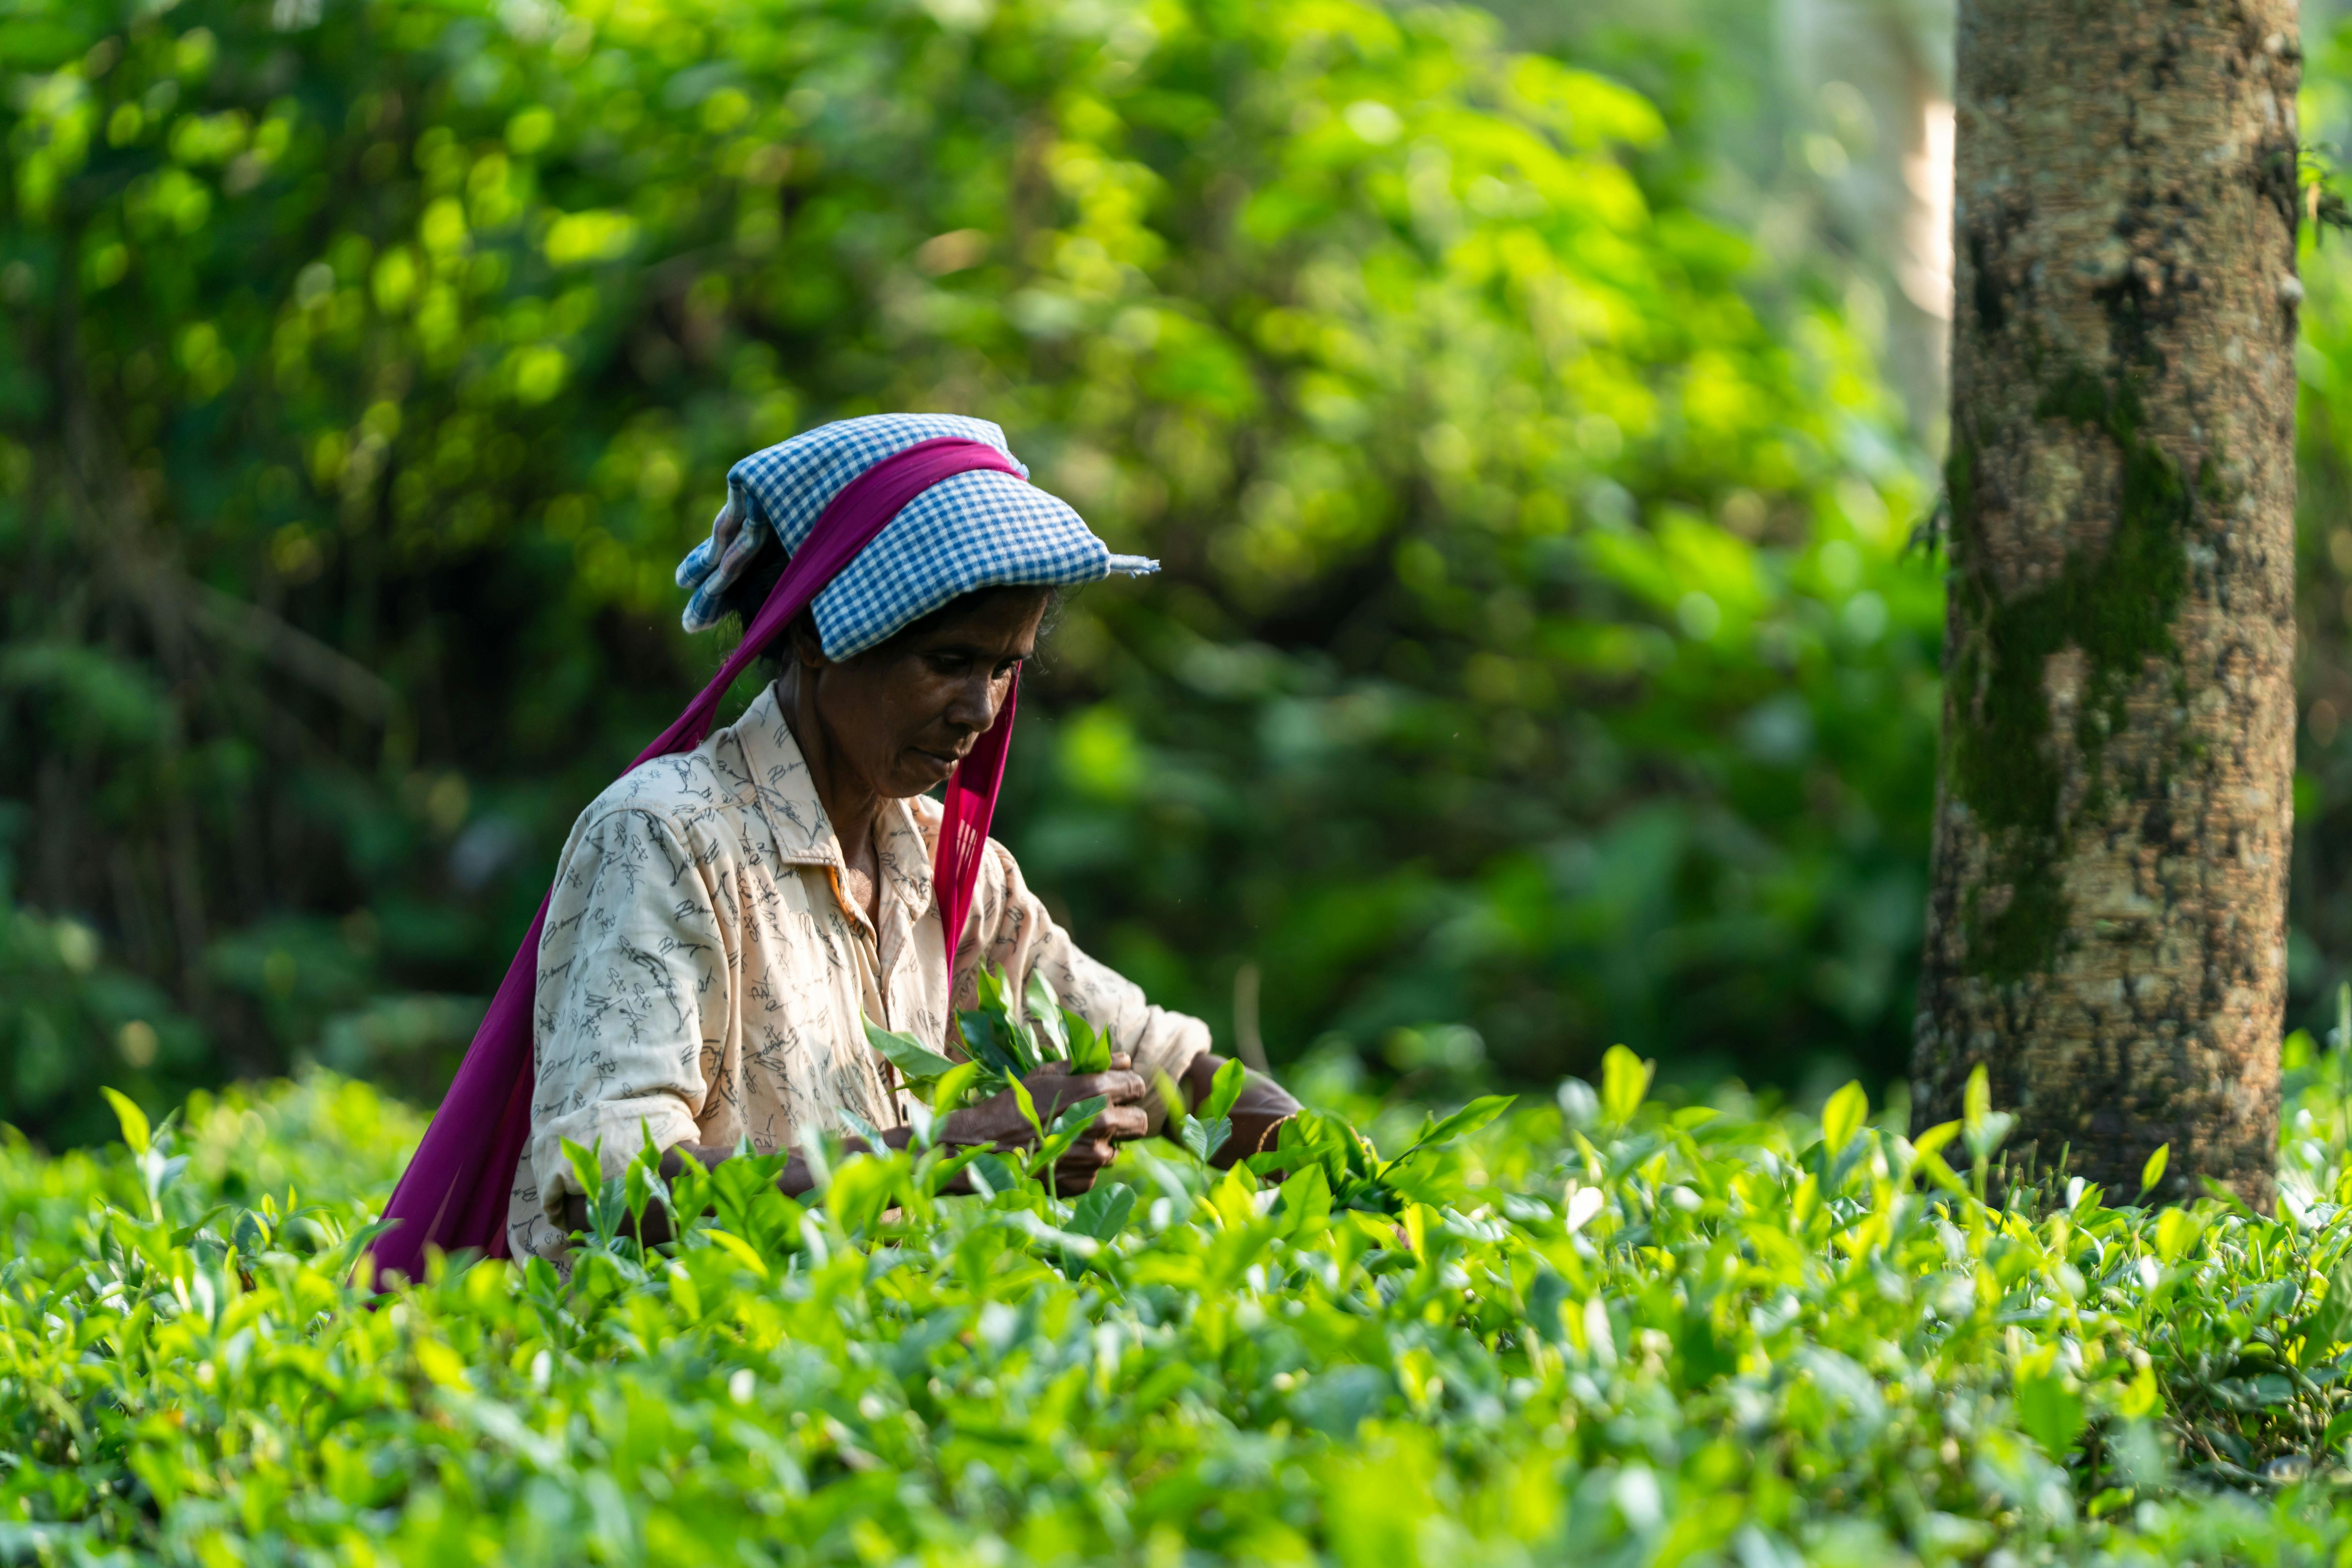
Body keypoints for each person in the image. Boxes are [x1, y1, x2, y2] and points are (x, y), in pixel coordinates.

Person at [494, 414, 1299, 1262]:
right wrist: (947, 1147)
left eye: (1003, 669)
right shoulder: (666, 837)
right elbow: (612, 1188)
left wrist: (1348, 1172)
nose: (980, 710)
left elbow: (1165, 1066)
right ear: (814, 633)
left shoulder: (947, 865)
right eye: (948, 661)